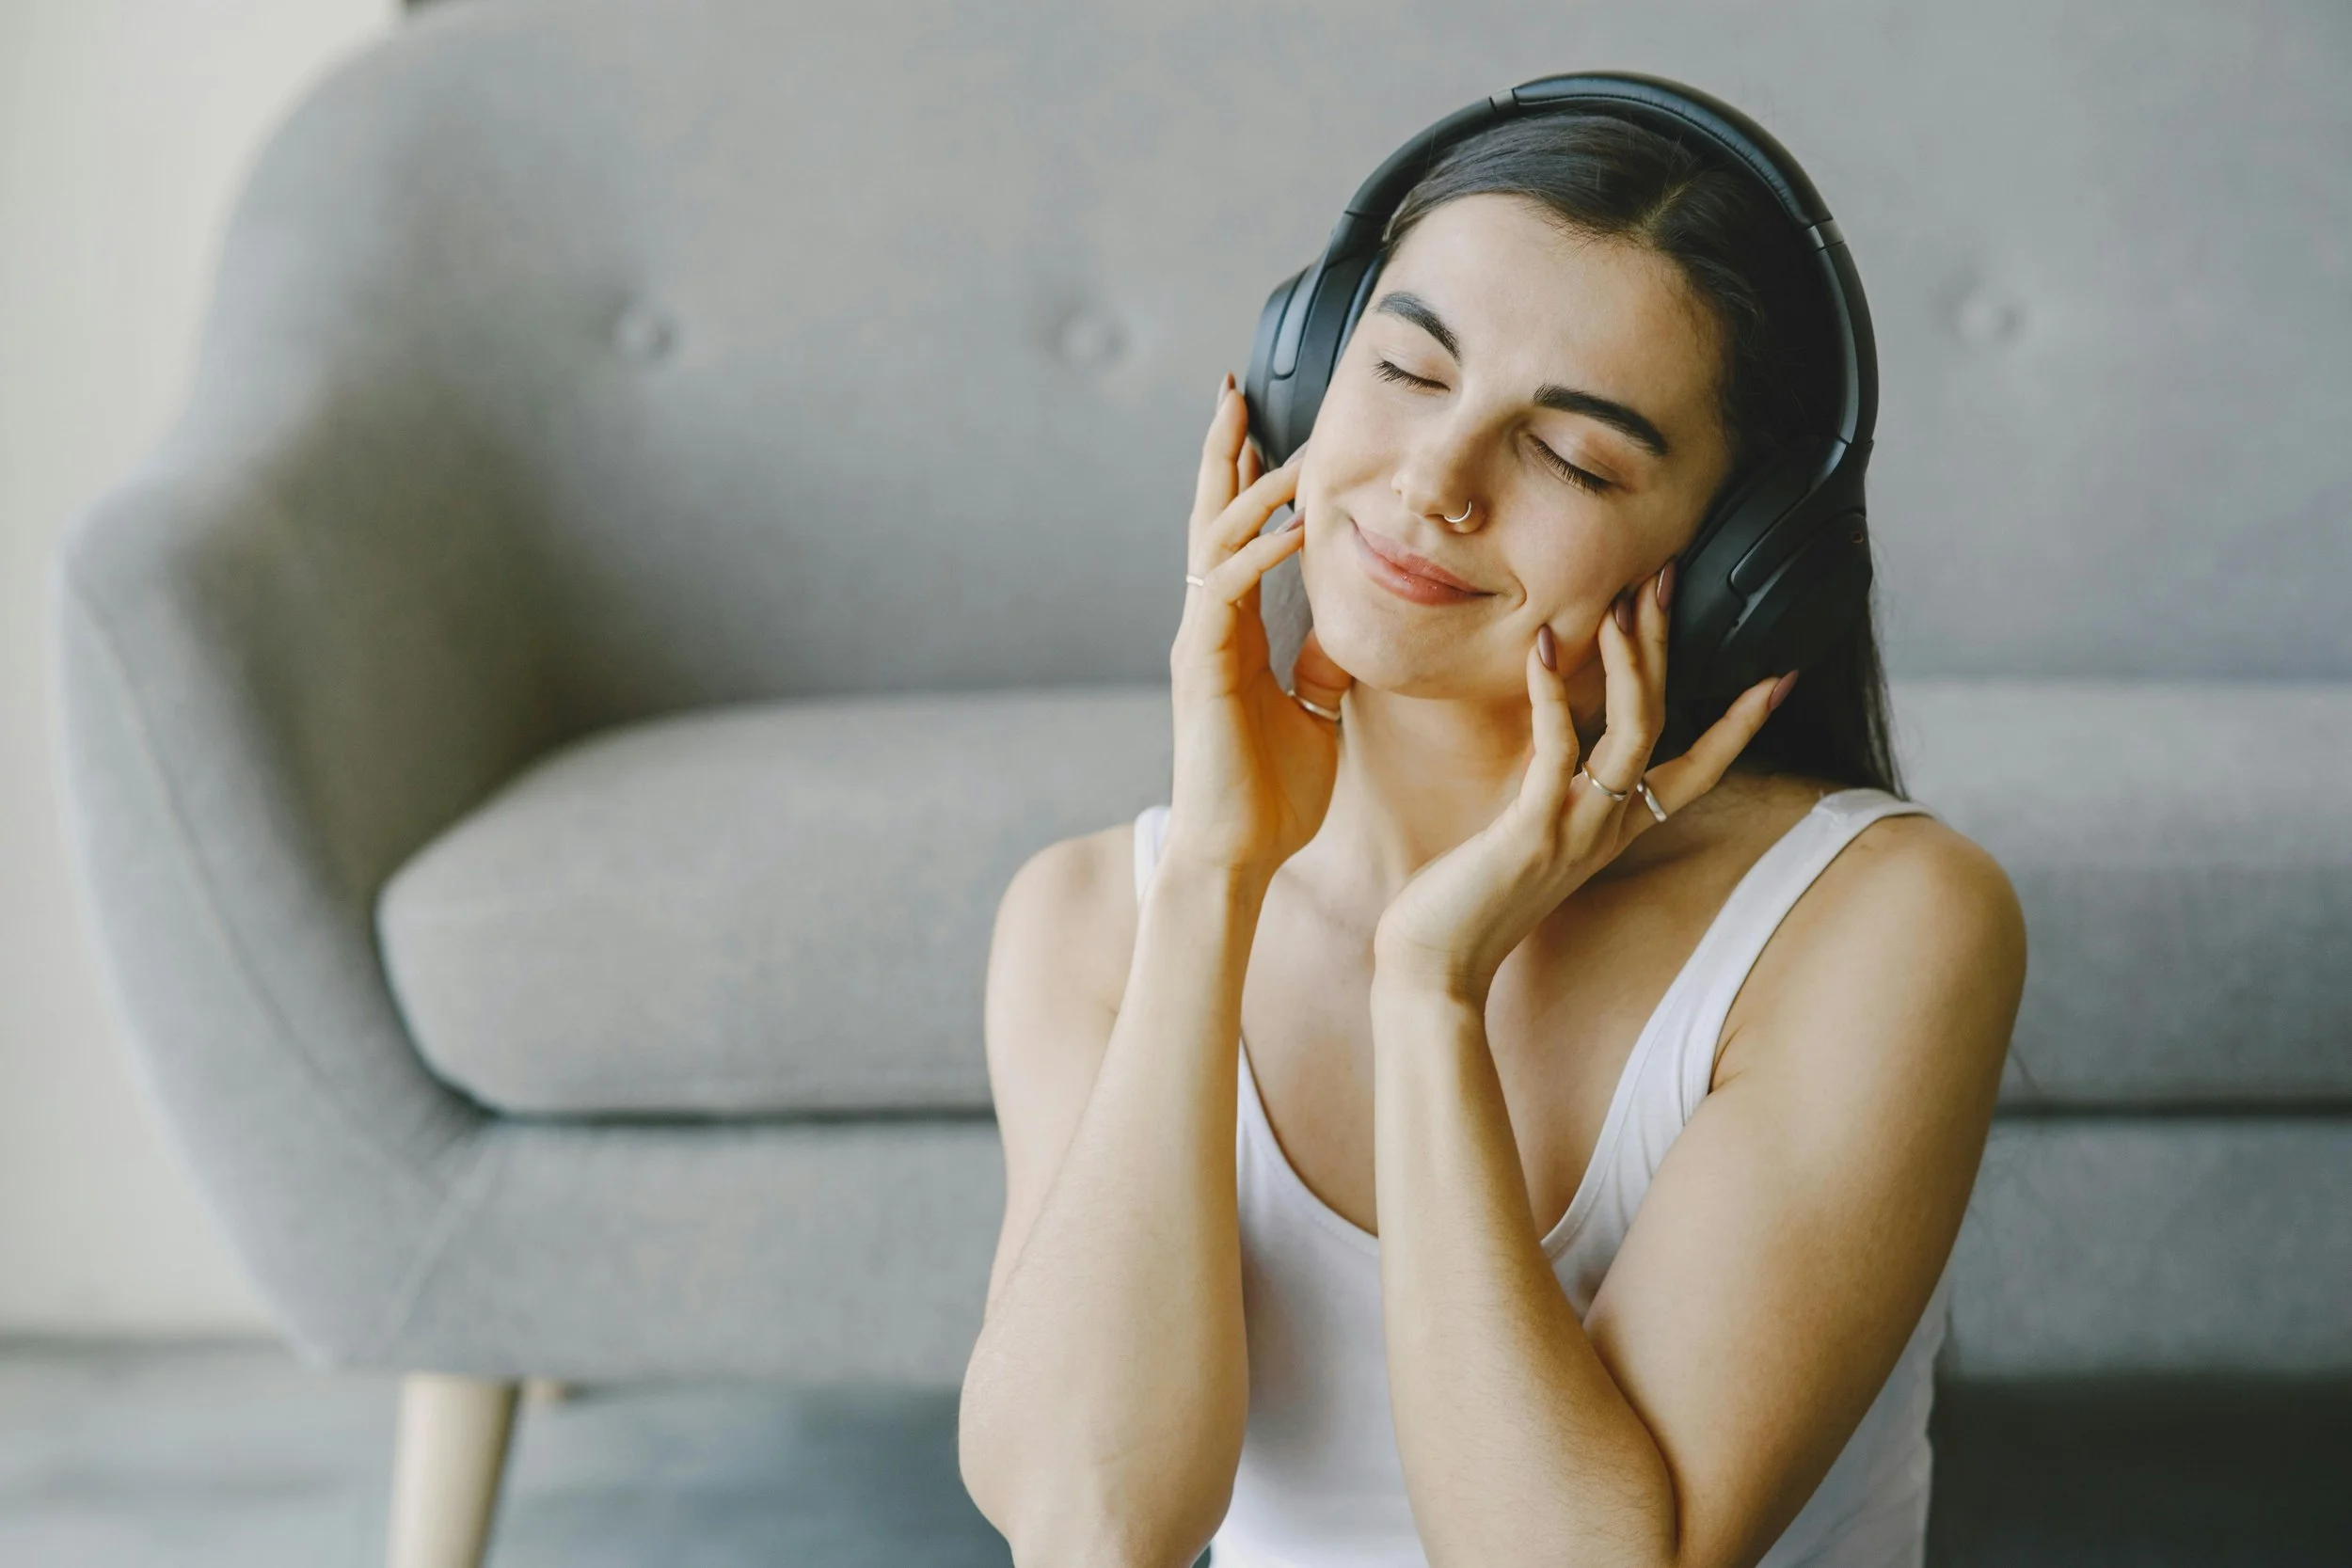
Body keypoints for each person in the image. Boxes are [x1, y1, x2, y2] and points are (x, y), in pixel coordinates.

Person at [959, 109, 2026, 1568]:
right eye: (1403, 370)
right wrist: (1213, 877)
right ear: (1305, 373)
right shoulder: (1089, 913)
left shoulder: (1883, 922)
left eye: (1575, 458)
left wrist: (1431, 986)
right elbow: (1095, 1528)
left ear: (1729, 575)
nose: (1434, 480)